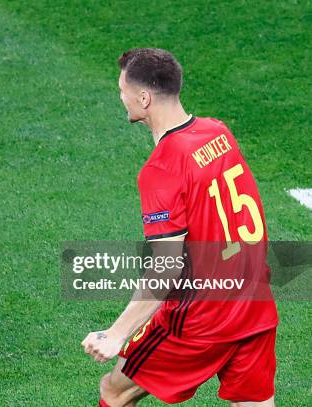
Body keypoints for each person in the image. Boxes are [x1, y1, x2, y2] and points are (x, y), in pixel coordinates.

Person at [81, 48, 278, 406]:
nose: (120, 96)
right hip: (254, 301)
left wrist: (116, 333)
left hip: (202, 318)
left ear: (144, 97)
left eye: (122, 89)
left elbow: (167, 264)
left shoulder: (162, 169)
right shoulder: (218, 132)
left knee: (115, 389)